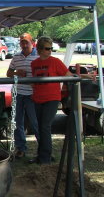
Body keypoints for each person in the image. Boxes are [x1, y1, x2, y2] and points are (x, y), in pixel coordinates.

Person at [31, 36, 95, 165]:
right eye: (47, 48)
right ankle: (42, 154)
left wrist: (84, 75)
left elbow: (69, 76)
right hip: (37, 98)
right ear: (40, 49)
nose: (50, 51)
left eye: (51, 48)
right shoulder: (34, 63)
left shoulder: (55, 62)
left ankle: (45, 158)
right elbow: (34, 80)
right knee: (40, 127)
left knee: (45, 126)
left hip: (52, 98)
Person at [6, 33, 39, 158]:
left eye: (26, 42)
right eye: (22, 42)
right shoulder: (16, 57)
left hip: (32, 94)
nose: (24, 45)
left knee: (35, 122)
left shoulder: (38, 56)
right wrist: (17, 72)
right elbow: (8, 73)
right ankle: (21, 148)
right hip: (18, 93)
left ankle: (42, 148)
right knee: (17, 122)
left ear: (32, 43)